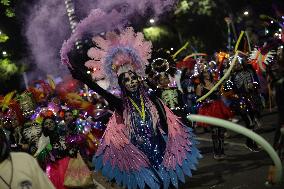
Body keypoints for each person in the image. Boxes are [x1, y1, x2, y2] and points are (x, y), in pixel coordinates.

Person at [67, 27, 201, 189]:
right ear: (122, 85)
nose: (131, 82)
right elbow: (99, 90)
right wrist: (80, 76)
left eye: (133, 78)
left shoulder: (152, 98)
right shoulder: (120, 104)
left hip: (161, 148)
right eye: (127, 80)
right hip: (138, 155)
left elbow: (165, 120)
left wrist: (174, 139)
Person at [196, 70, 233, 160]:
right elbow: (198, 99)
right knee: (215, 132)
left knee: (221, 131)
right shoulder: (200, 86)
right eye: (204, 73)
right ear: (202, 75)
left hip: (219, 108)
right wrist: (205, 101)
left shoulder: (215, 83)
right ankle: (216, 152)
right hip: (209, 110)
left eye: (208, 73)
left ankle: (222, 151)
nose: (207, 75)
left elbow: (222, 93)